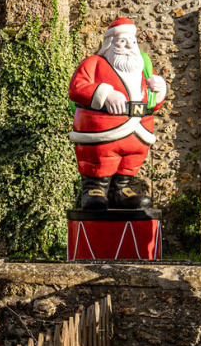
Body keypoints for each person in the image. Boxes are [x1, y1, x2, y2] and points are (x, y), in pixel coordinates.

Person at [68, 17, 167, 210]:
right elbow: (77, 88)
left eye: (133, 41)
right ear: (110, 44)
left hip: (139, 129)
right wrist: (105, 94)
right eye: (122, 41)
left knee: (131, 160)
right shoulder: (94, 63)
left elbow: (154, 103)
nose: (129, 46)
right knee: (99, 159)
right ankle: (94, 189)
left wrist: (160, 87)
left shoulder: (143, 65)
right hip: (103, 129)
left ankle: (120, 190)